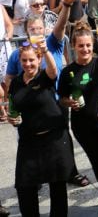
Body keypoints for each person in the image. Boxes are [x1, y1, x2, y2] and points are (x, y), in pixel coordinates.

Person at [58, 22, 98, 216]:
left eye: (88, 45)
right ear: (73, 46)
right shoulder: (67, 71)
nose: (85, 49)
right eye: (80, 45)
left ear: (93, 45)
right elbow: (62, 98)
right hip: (83, 127)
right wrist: (70, 102)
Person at [7, 40, 72, 216]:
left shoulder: (44, 77)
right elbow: (14, 109)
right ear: (19, 61)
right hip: (28, 140)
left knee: (57, 186)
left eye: (31, 60)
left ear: (39, 59)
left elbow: (53, 70)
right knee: (24, 185)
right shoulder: (16, 82)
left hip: (53, 139)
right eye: (24, 60)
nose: (28, 64)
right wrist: (12, 119)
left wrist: (45, 51)